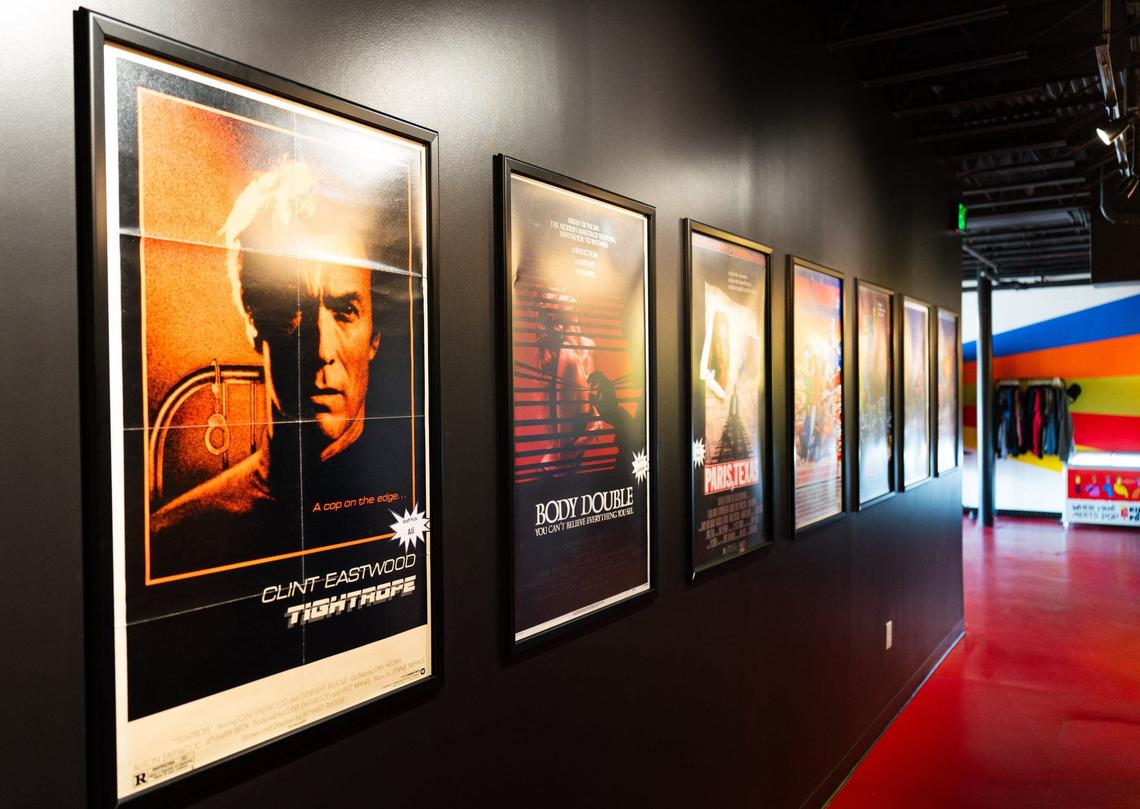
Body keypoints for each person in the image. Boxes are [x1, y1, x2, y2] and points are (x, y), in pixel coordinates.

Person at [151, 159, 401, 576]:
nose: (322, 349)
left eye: (344, 311)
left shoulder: (423, 498)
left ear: (375, 335)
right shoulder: (176, 540)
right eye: (293, 311)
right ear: (253, 323)